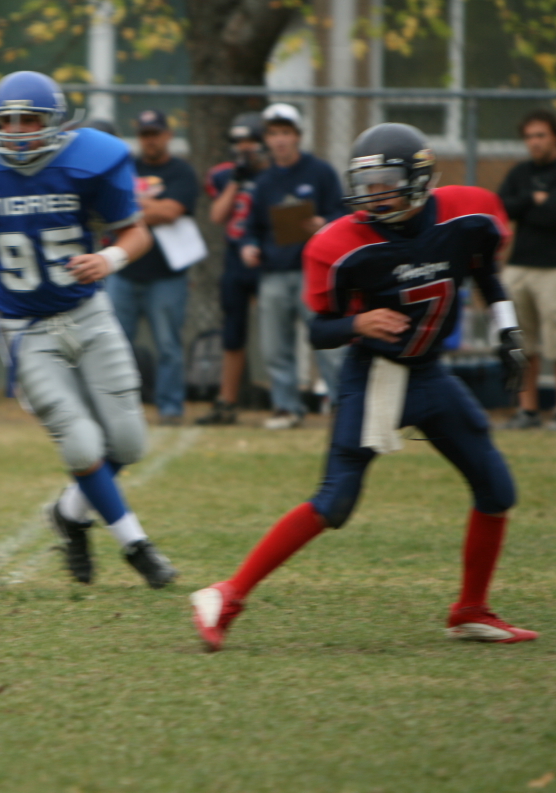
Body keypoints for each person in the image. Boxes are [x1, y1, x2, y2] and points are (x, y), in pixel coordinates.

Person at [191, 123, 536, 651]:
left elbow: (484, 271)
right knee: (335, 502)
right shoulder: (343, 244)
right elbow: (318, 330)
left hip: (430, 374)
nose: (375, 194)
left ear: (419, 181)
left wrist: (508, 331)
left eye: (386, 183)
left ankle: (471, 609)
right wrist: (358, 323)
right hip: (376, 375)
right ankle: (225, 594)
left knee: (497, 489)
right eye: (366, 184)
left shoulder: (467, 214)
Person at [0, 71, 177, 589]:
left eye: (29, 119)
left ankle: (69, 514)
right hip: (25, 328)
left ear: (56, 122)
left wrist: (108, 258)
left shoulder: (92, 159)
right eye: (7, 120)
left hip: (88, 312)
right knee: (82, 442)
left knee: (129, 442)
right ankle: (136, 545)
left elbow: (136, 233)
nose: (17, 130)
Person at [241, 103, 347, 429]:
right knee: (275, 346)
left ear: (297, 136)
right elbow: (253, 227)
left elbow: (343, 216)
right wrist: (249, 247)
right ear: (266, 139)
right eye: (273, 133)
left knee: (328, 342)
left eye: (285, 132)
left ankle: (344, 406)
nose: (280, 140)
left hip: (313, 272)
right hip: (274, 273)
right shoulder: (264, 181)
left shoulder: (321, 172)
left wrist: (323, 224)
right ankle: (286, 408)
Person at [105, 109, 200, 426]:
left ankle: (170, 408)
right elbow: (113, 207)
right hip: (124, 270)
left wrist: (134, 204)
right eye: (145, 134)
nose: (150, 140)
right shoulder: (126, 167)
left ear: (168, 135)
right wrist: (152, 206)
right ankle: (116, 408)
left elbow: (172, 212)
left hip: (167, 276)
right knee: (115, 344)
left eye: (155, 134)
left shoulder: (181, 172)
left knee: (169, 346)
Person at [498, 109, 556, 432]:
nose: (534, 142)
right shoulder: (520, 173)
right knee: (522, 345)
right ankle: (528, 411)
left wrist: (524, 207)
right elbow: (500, 207)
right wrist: (531, 199)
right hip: (518, 268)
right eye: (529, 137)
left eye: (540, 135)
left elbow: (553, 215)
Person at [197, 112, 270, 426]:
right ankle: (226, 401)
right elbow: (217, 215)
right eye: (239, 141)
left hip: (271, 259)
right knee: (233, 332)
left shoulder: (275, 173)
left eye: (251, 140)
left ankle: (287, 401)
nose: (245, 147)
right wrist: (237, 180)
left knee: (278, 331)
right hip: (235, 258)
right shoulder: (225, 174)